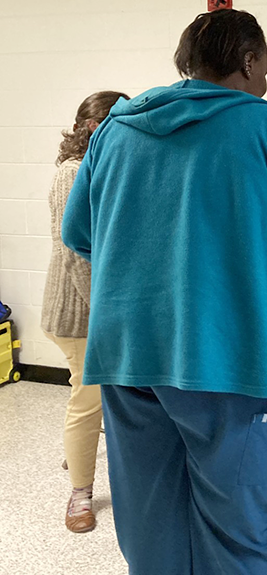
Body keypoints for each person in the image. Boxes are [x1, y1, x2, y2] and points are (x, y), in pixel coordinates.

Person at [61, 9, 267, 575]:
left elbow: (77, 232)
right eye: (265, 69)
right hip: (239, 367)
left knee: (151, 530)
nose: (266, 84)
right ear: (250, 62)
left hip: (131, 359)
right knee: (238, 540)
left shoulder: (115, 130)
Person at [41, 90, 129, 533]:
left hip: (94, 307)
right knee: (88, 398)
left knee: (99, 394)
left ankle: (76, 452)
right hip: (80, 313)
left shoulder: (96, 168)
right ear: (97, 128)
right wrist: (108, 312)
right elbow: (76, 253)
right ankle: (79, 493)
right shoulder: (72, 174)